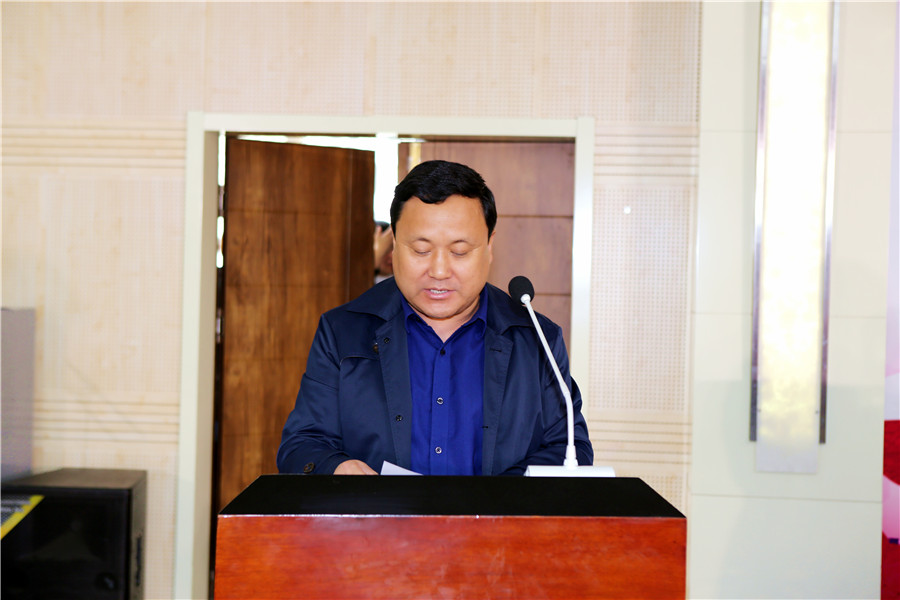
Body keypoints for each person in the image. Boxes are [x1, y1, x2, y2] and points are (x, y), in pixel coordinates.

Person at [277, 160, 593, 475]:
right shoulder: (343, 331)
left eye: (459, 251)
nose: (439, 271)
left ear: (489, 246)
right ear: (394, 245)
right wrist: (336, 467)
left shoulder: (535, 338)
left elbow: (569, 448)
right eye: (421, 250)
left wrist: (502, 495)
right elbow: (301, 445)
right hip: (380, 510)